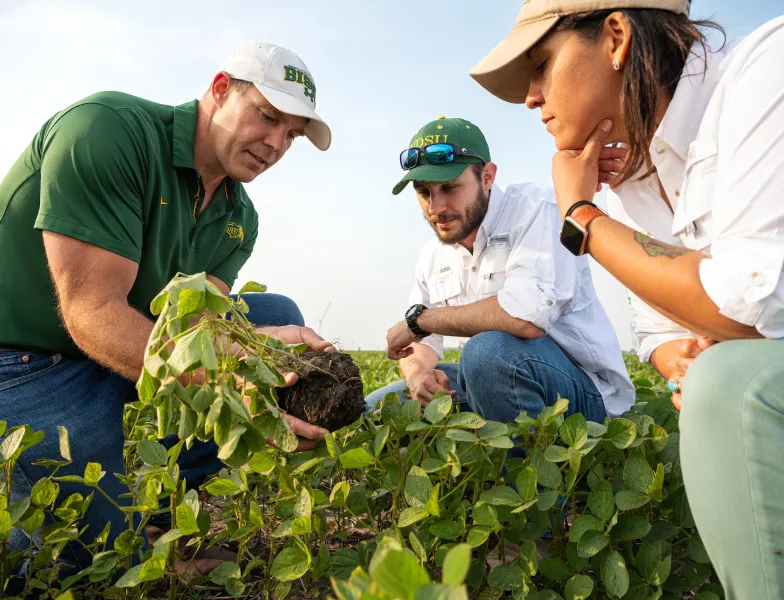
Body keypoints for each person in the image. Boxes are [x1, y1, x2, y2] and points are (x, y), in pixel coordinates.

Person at [471, 2, 784, 597]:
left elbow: (749, 307)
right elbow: (659, 331)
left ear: (616, 36)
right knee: (718, 383)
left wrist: (580, 214)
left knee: (734, 390)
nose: (531, 97)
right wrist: (684, 363)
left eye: (542, 64)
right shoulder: (638, 174)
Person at [0, 42, 334, 574]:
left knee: (276, 314)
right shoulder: (107, 131)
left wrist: (262, 359)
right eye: (267, 117)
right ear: (221, 89)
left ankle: (158, 515)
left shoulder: (238, 216)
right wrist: (232, 378)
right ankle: (126, 534)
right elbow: (90, 312)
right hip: (27, 357)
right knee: (92, 561)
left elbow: (201, 324)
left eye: (291, 135)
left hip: (120, 344)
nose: (275, 144)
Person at [371, 116, 634, 425]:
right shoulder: (432, 254)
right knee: (374, 409)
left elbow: (525, 317)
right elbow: (420, 344)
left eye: (449, 187)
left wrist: (420, 321)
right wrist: (419, 374)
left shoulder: (539, 209)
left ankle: (524, 467)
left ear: (487, 177)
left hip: (584, 390)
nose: (436, 207)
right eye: (424, 192)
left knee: (487, 353)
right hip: (489, 381)